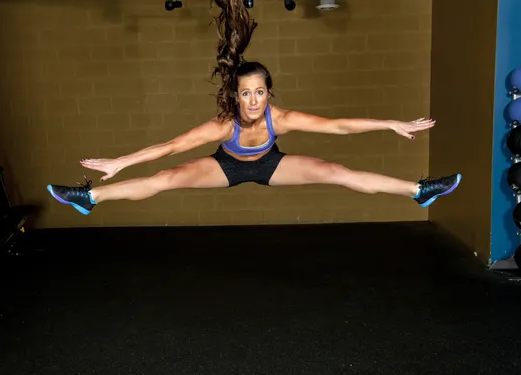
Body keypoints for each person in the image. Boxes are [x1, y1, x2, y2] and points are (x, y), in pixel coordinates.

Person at [46, 0, 461, 216]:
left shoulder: (278, 119)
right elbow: (170, 146)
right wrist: (120, 161)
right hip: (225, 166)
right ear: (235, 95)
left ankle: (418, 191)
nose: (253, 100)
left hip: (270, 165)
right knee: (166, 177)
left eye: (259, 92)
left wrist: (389, 123)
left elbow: (338, 127)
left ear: (268, 93)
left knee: (338, 173)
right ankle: (91, 197)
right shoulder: (223, 125)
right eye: (245, 94)